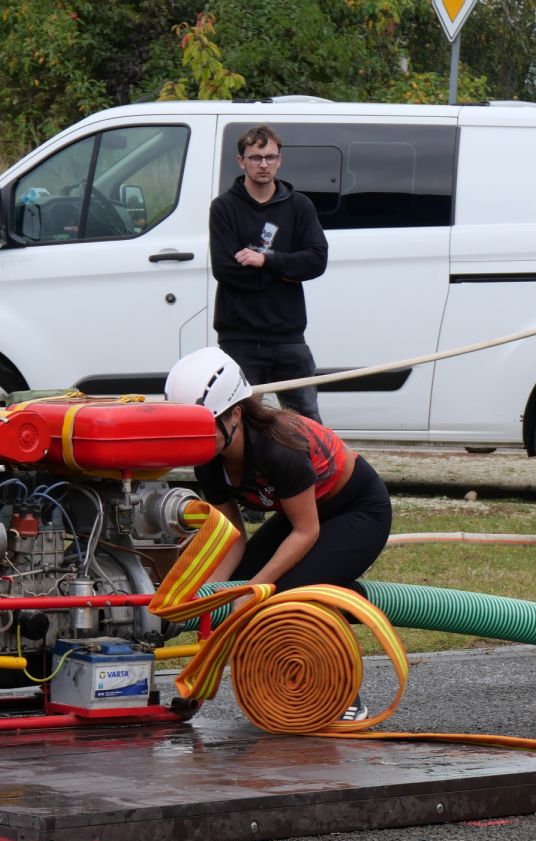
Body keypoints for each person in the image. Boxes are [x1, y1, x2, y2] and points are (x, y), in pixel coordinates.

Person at [165, 346, 392, 720]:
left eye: (205, 424)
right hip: (304, 512)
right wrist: (210, 592)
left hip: (357, 510)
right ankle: (252, 686)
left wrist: (256, 589)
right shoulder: (208, 460)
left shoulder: (277, 448)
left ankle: (344, 695)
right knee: (240, 587)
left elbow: (306, 531)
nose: (195, 437)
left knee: (284, 595)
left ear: (235, 414)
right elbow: (231, 535)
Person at [209, 125, 328, 423]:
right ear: (241, 161)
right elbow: (225, 270)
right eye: (255, 157)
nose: (263, 164)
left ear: (279, 160)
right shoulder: (223, 208)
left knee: (307, 425)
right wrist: (288, 272)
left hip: (289, 337)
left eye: (270, 157)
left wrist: (265, 261)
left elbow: (316, 261)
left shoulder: (300, 206)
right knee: (240, 426)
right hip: (240, 338)